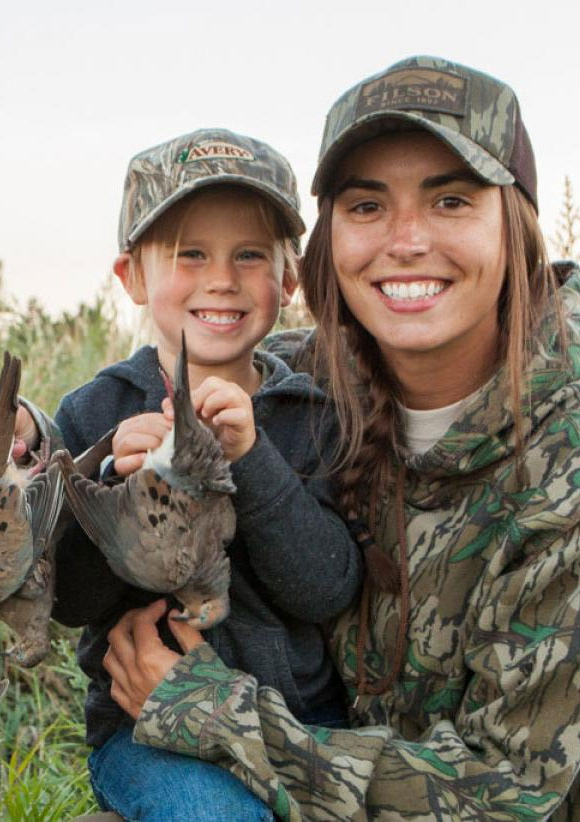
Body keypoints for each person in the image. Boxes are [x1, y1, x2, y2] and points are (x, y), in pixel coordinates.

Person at [105, 57, 580, 820]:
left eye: (450, 199)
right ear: (326, 241)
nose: (405, 240)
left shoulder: (568, 451)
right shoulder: (296, 387)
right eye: (365, 205)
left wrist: (209, 712)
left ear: (515, 226)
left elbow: (515, 796)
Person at [46, 128, 363, 820]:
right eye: (190, 254)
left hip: (304, 722)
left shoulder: (313, 414)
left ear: (287, 279)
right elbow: (68, 600)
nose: (221, 278)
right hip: (150, 731)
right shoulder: (95, 412)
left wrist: (251, 461)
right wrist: (117, 491)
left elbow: (325, 589)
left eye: (249, 255)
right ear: (132, 277)